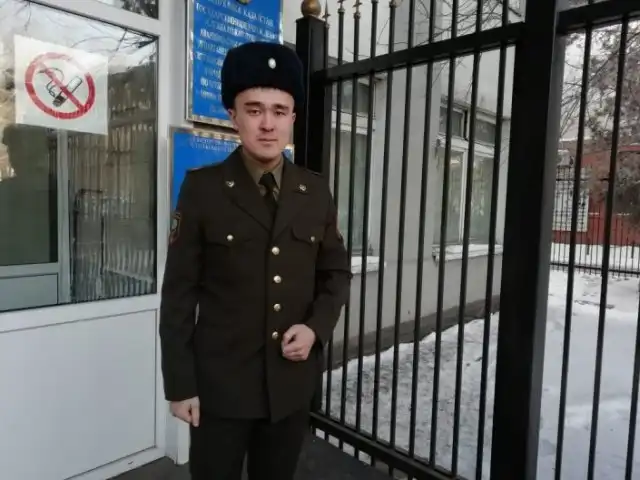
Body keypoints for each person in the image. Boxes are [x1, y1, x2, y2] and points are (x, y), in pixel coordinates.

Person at [159, 41, 352, 480]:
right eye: (254, 109)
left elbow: (336, 273)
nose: (268, 124)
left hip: (289, 386)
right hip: (220, 390)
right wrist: (181, 385)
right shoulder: (203, 190)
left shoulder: (314, 191)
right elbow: (179, 293)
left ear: (293, 118)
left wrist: (316, 328)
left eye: (280, 111)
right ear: (234, 116)